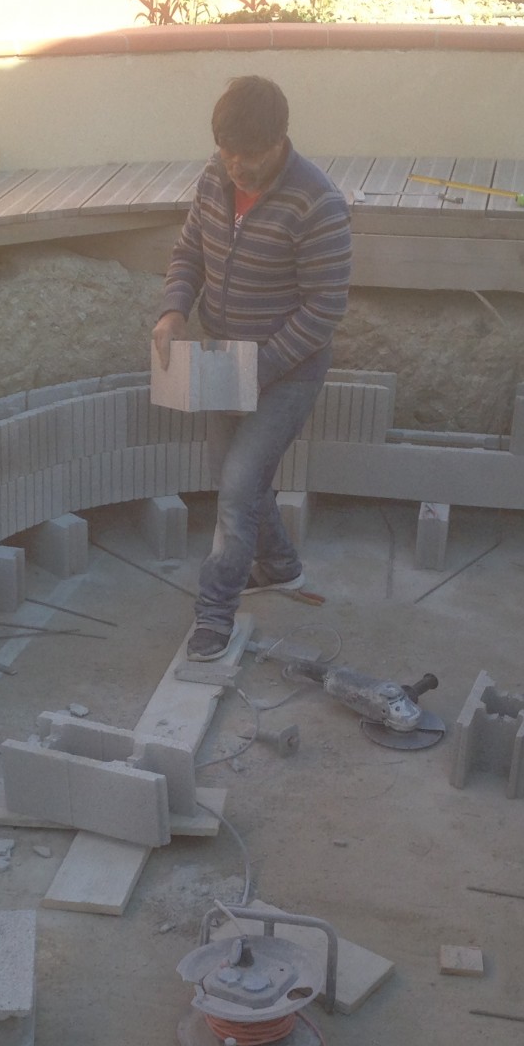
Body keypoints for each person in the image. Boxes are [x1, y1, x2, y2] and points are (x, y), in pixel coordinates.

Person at [153, 75, 353, 661]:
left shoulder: (317, 202)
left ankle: (214, 613)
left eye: (250, 154)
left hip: (288, 370)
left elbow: (324, 310)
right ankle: (283, 567)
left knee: (238, 489)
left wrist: (258, 370)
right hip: (223, 357)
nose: (236, 166)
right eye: (227, 151)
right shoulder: (214, 179)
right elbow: (190, 251)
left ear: (279, 141)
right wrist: (172, 313)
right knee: (232, 475)